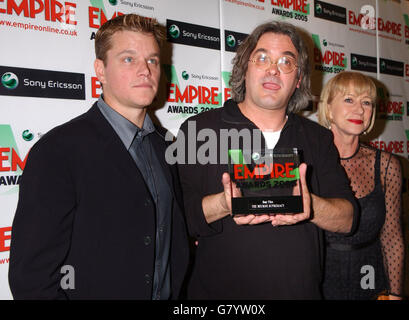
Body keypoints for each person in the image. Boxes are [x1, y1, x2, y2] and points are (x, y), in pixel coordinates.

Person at [8, 14, 189, 300]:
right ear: (100, 70)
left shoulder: (165, 145)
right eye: (129, 59)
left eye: (152, 60)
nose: (145, 70)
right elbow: (31, 278)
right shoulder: (58, 150)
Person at [176, 21, 359, 299]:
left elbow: (348, 219)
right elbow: (175, 220)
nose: (273, 69)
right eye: (262, 58)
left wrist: (312, 207)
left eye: (287, 62)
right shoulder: (199, 130)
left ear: (298, 80)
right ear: (244, 68)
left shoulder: (318, 138)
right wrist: (223, 204)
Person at [318, 71, 404, 300]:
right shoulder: (309, 161)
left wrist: (395, 295)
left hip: (369, 279)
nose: (359, 109)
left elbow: (392, 237)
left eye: (366, 102)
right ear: (328, 108)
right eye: (349, 100)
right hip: (318, 282)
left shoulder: (386, 165)